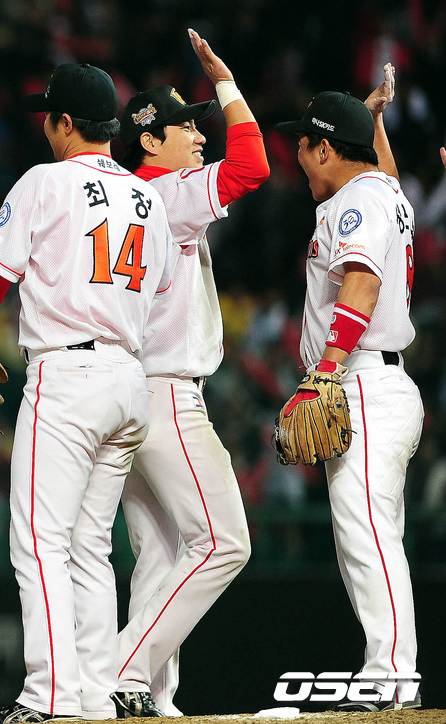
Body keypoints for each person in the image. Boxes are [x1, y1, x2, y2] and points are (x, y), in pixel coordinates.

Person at [0, 62, 172, 723]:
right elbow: (162, 292)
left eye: (49, 116)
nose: (45, 127)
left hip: (69, 377)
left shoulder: (44, 182)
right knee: (89, 546)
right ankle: (95, 697)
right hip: (129, 379)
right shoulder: (148, 198)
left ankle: (47, 698)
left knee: (40, 542)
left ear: (67, 122)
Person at [96, 28, 269, 717]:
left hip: (124, 390)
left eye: (200, 124)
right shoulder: (164, 194)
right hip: (167, 395)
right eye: (185, 128)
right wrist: (225, 82)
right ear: (147, 141)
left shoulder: (115, 200)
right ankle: (123, 672)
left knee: (162, 555)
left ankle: (149, 697)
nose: (201, 137)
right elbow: (252, 165)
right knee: (224, 542)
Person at [274, 64, 424, 712]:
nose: (299, 157)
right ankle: (390, 674)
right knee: (368, 535)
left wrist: (327, 367)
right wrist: (375, 122)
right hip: (379, 380)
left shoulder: (357, 201)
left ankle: (390, 677)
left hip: (362, 378)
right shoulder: (383, 189)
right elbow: (384, 174)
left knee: (366, 534)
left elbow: (361, 280)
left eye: (304, 144)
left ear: (326, 148)